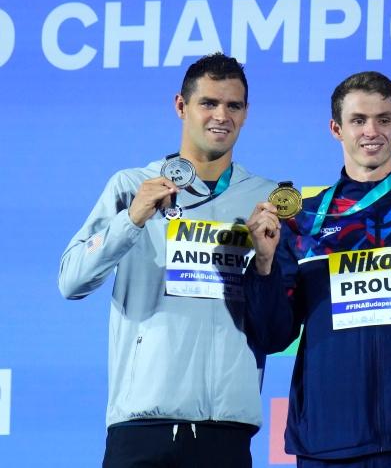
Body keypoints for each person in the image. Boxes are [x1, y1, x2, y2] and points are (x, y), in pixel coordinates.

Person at [58, 52, 276, 468]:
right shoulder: (131, 185)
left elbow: (276, 320)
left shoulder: (264, 199)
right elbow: (71, 280)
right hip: (141, 427)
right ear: (181, 106)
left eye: (233, 105)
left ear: (246, 113)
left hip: (226, 428)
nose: (221, 116)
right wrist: (132, 219)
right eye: (208, 103)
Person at [243, 71, 391, 467]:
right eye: (358, 120)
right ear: (336, 128)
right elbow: (273, 334)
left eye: (384, 119)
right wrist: (263, 263)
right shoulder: (306, 220)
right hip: (327, 443)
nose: (372, 131)